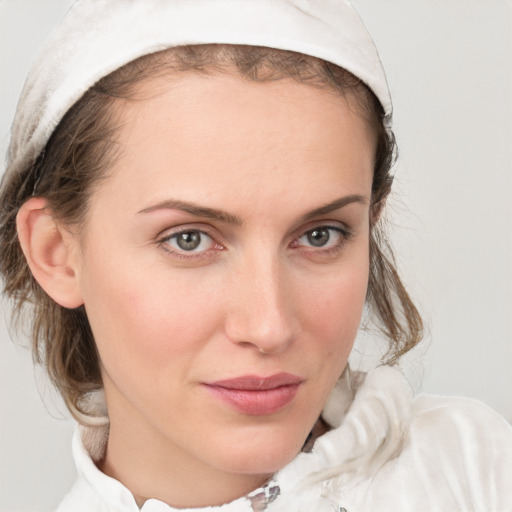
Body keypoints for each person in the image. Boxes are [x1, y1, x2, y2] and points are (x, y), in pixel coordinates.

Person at [0, 1, 511, 511]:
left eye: (320, 235)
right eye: (189, 239)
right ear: (58, 253)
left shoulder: (478, 471)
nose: (269, 327)